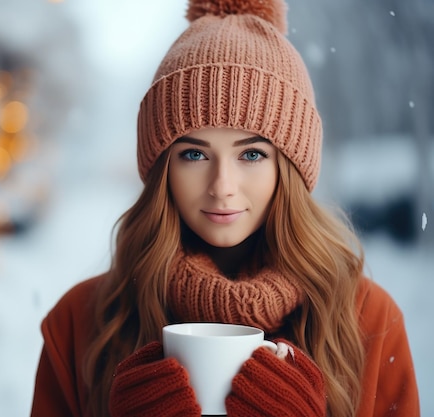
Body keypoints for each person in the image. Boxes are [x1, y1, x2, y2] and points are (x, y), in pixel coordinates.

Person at [30, 0, 420, 416]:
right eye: (194, 155)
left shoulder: (367, 320)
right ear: (162, 168)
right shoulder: (82, 321)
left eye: (251, 155)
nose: (222, 187)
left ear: (288, 167)